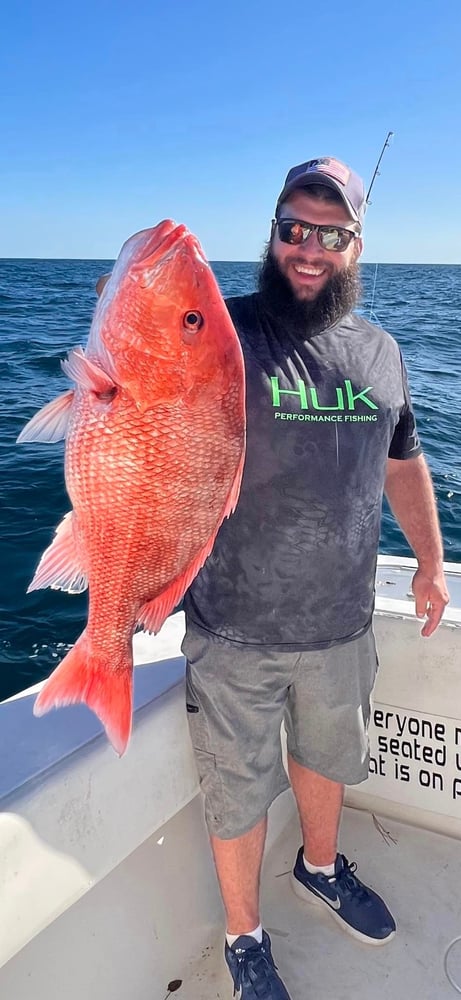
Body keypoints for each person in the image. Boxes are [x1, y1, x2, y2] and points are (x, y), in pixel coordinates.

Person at [179, 157, 450, 999]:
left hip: (340, 620)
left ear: (354, 245)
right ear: (271, 231)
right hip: (231, 628)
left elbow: (402, 464)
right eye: (293, 228)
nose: (307, 248)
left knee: (328, 760)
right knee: (235, 792)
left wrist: (432, 563)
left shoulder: (381, 350)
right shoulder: (217, 332)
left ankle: (321, 867)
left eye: (329, 235)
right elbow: (141, 412)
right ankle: (244, 936)